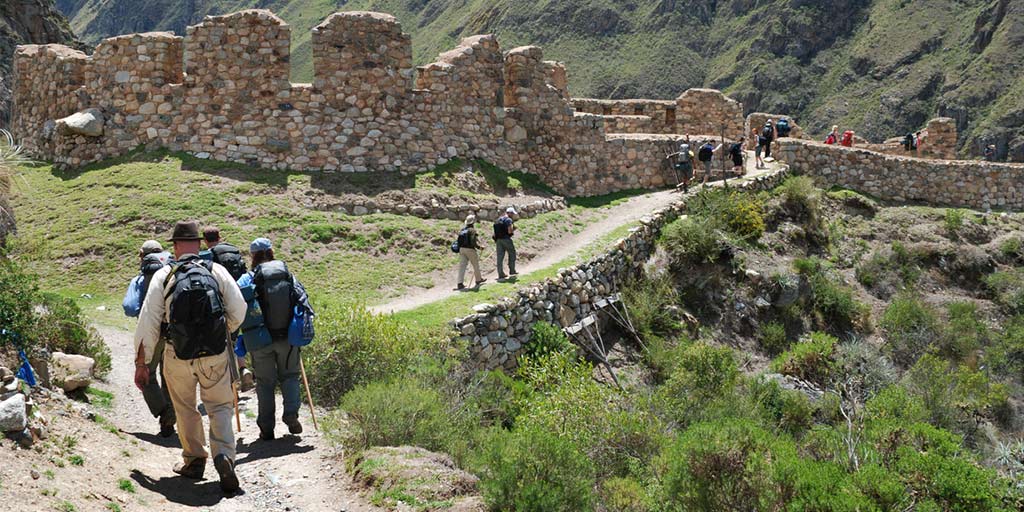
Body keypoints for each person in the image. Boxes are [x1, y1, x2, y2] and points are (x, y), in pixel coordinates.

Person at [134, 221, 246, 493]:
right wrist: (223, 332)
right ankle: (224, 456)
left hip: (177, 354)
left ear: (175, 246)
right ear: (198, 244)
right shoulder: (216, 270)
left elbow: (148, 322)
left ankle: (194, 460)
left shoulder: (165, 275)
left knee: (185, 408)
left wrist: (142, 363)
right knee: (219, 406)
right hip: (215, 353)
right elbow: (238, 310)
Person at [238, 237, 312, 441]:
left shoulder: (247, 278)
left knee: (264, 383)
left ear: (253, 256)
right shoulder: (287, 275)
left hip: (259, 340)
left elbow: (235, 303)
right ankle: (291, 416)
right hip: (287, 338)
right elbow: (302, 300)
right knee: (290, 377)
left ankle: (267, 428)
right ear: (271, 252)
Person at [121, 240, 176, 437]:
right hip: (173, 333)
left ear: (142, 256)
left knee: (146, 374)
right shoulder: (174, 273)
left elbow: (129, 307)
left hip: (149, 336)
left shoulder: (140, 279)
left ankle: (162, 410)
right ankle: (170, 416)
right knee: (169, 376)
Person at [201, 227, 254, 392]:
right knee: (238, 337)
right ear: (219, 237)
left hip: (220, 304)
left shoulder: (209, 257)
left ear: (205, 240)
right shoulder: (233, 250)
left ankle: (231, 383)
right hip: (239, 300)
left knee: (225, 343)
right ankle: (244, 368)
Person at [456, 215, 486, 290]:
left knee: (462, 266)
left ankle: (460, 283)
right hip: (470, 249)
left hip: (461, 249)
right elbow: (473, 242)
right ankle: (478, 280)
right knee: (475, 265)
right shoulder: (472, 230)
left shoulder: (462, 230)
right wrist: (479, 247)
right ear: (473, 222)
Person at [493, 207, 518, 281]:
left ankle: (500, 274)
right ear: (509, 213)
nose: (513, 215)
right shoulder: (508, 220)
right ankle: (512, 270)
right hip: (506, 239)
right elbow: (510, 231)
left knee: (500, 257)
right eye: (512, 213)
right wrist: (514, 229)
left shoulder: (498, 220)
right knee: (512, 253)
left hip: (498, 240)